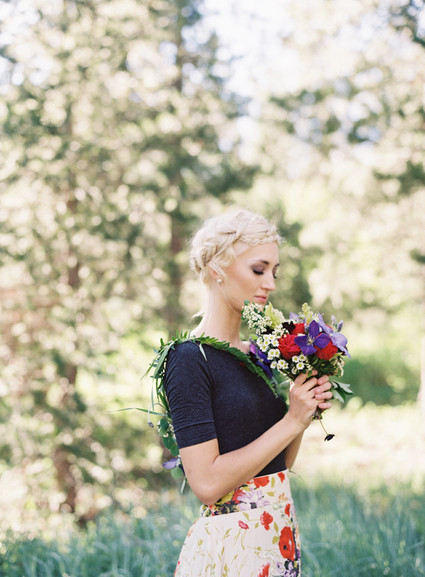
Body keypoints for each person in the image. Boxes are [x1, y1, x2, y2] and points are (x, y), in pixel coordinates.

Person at [163, 208, 333, 577]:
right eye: (258, 270)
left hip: (277, 536)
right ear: (217, 269)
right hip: (232, 548)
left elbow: (279, 462)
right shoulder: (189, 359)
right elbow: (207, 484)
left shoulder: (259, 355)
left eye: (274, 272)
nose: (270, 283)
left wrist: (304, 410)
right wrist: (291, 422)